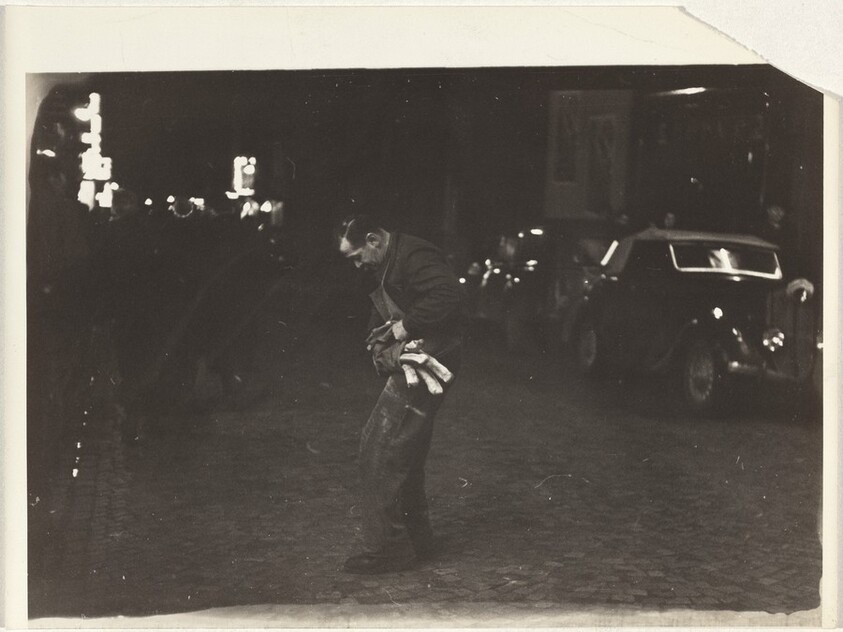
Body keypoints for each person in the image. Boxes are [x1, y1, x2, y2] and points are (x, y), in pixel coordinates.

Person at [336, 214, 464, 574]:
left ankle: (389, 549)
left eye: (358, 255)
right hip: (425, 357)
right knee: (404, 451)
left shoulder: (413, 255)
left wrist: (405, 327)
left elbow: (449, 294)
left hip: (429, 362)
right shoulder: (394, 259)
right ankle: (416, 541)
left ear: (375, 239)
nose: (358, 265)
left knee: (379, 447)